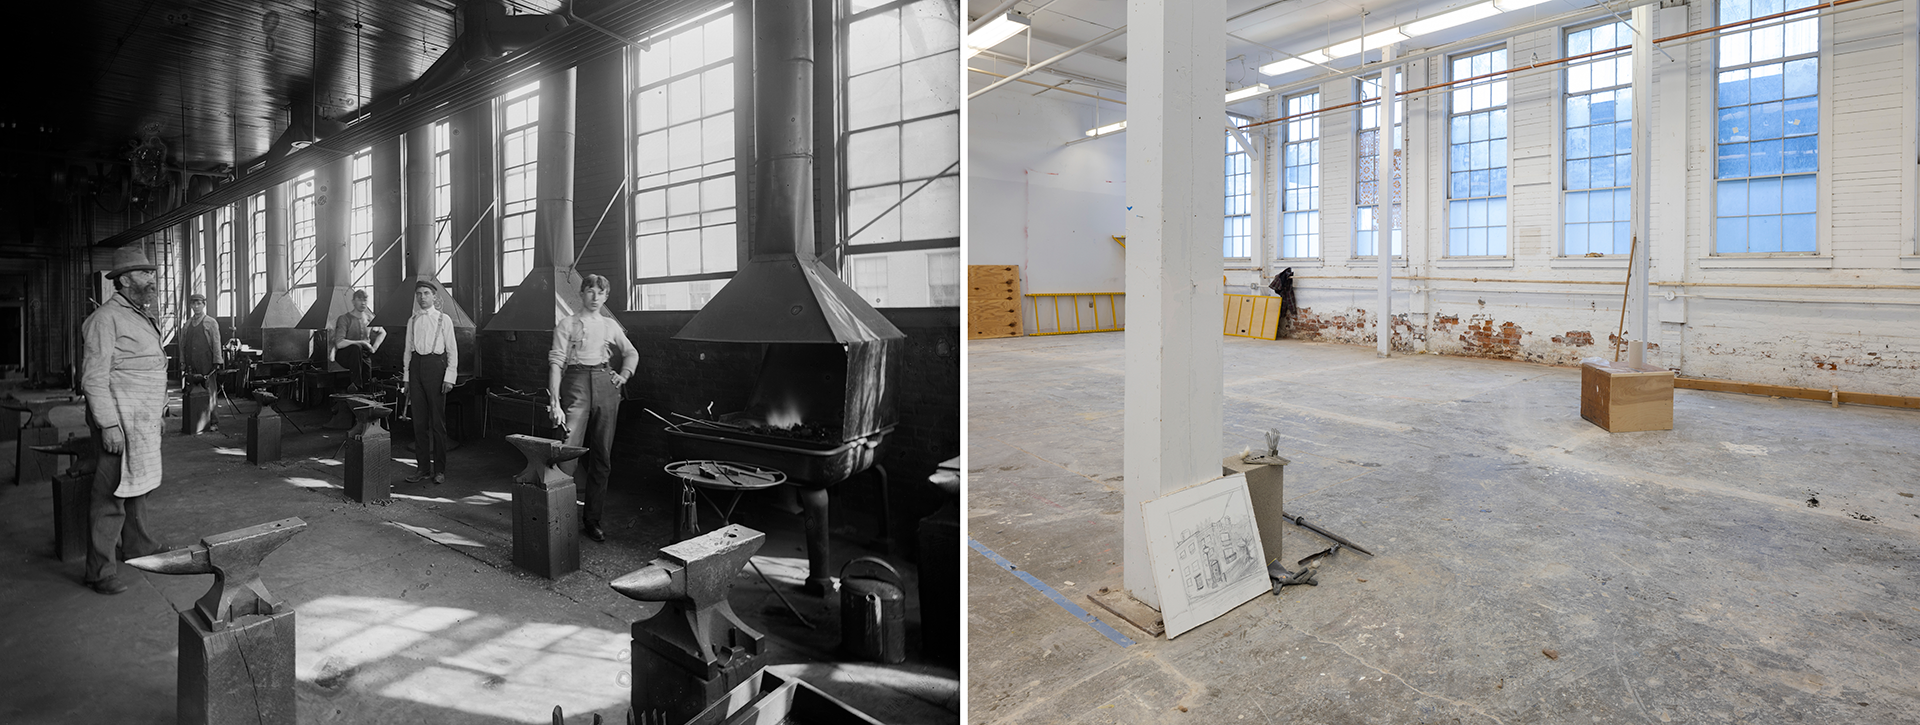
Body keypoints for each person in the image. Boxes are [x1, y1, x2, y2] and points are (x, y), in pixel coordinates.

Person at [79, 245, 171, 595]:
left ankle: (138, 546)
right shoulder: (105, 319)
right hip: (118, 421)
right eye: (145, 273)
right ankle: (99, 571)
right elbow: (93, 378)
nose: (152, 279)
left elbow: (151, 367)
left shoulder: (139, 315)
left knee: (137, 486)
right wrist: (108, 425)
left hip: (140, 420)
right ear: (126, 279)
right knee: (110, 495)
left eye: (151, 273)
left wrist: (158, 413)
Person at [546, 274, 639, 543]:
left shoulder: (610, 325)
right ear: (581, 294)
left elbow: (631, 352)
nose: (595, 297)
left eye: (600, 292)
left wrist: (624, 375)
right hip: (575, 383)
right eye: (590, 291)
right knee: (567, 453)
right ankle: (559, 517)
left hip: (605, 385)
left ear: (606, 296)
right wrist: (555, 402)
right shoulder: (567, 324)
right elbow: (556, 363)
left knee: (602, 456)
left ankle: (592, 520)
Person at [402, 278, 457, 484]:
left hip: (436, 368)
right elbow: (407, 350)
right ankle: (423, 469)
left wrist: (449, 377)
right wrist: (407, 378)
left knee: (437, 423)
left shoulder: (444, 319)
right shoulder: (413, 320)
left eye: (426, 293)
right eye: (419, 294)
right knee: (419, 422)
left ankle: (439, 470)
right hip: (416, 368)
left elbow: (452, 350)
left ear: (434, 297)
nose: (422, 297)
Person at [177, 293, 225, 431]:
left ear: (204, 304)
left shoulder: (211, 322)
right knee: (191, 390)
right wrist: (182, 361)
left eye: (199, 303)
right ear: (190, 305)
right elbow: (182, 345)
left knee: (210, 391)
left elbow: (216, 343)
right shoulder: (187, 324)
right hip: (191, 363)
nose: (196, 306)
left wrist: (217, 361)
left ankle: (213, 421)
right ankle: (195, 421)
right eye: (193, 303)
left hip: (206, 363)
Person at [331, 289, 386, 391]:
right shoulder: (344, 319)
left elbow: (383, 332)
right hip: (345, 355)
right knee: (356, 348)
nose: (363, 303)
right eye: (360, 299)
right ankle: (356, 385)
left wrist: (374, 348)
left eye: (365, 300)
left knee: (367, 382)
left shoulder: (370, 318)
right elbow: (339, 343)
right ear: (353, 302)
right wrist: (362, 343)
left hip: (363, 355)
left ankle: (364, 391)